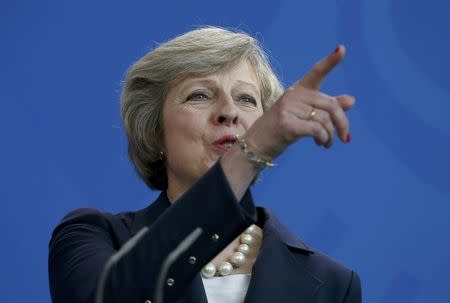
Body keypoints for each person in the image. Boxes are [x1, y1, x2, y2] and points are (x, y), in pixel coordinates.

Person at [48, 26, 361, 303]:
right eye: (199, 95)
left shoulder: (334, 283)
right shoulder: (94, 237)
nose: (229, 112)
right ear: (154, 132)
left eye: (246, 99)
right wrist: (251, 149)